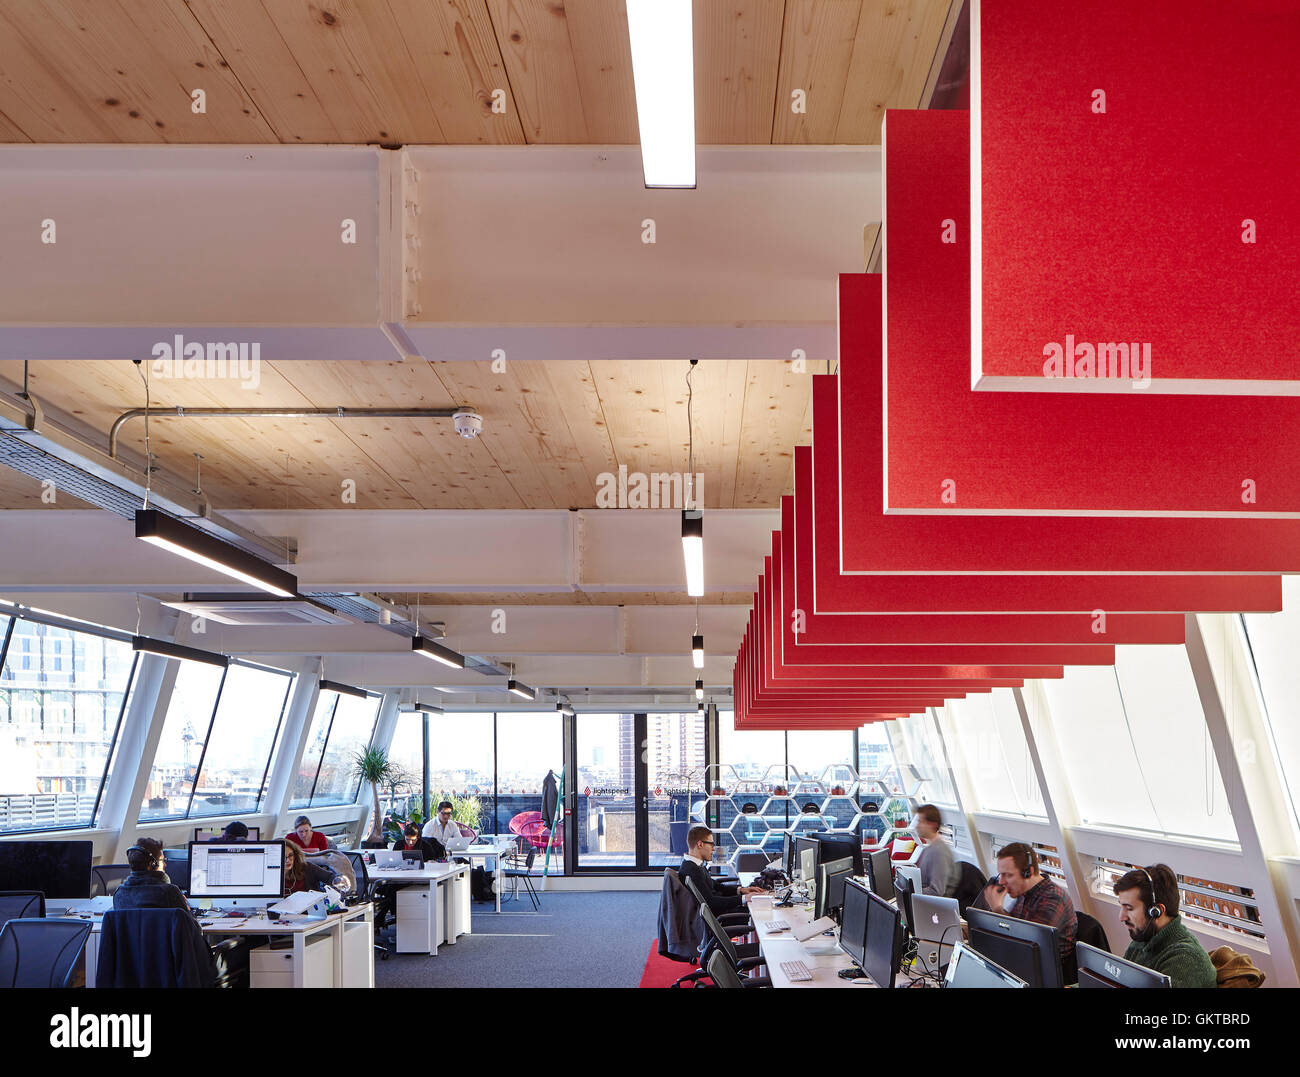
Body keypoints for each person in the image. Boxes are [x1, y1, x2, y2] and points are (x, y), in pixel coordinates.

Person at [1112, 864, 1217, 988]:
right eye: (1121, 906)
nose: (1121, 917)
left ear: (1157, 911)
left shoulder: (1185, 959)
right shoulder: (1142, 941)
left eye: (1129, 908)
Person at [996, 842, 1077, 962]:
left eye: (1008, 875)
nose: (1001, 882)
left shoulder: (1053, 898)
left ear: (1028, 872)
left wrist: (997, 909)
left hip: (1044, 975)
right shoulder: (1023, 894)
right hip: (1021, 967)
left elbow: (1029, 947)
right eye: (1000, 875)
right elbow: (1009, 933)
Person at [678, 825, 763, 914]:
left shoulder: (696, 864)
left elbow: (714, 885)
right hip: (720, 915)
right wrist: (744, 898)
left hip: (721, 910)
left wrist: (741, 890)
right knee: (758, 911)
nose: (713, 848)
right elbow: (711, 902)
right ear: (700, 844)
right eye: (711, 844)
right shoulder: (692, 870)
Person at [113, 838, 189, 911]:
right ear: (152, 864)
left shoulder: (119, 893)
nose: (165, 864)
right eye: (162, 860)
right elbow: (189, 923)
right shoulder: (170, 892)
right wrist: (185, 907)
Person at [914, 804, 959, 897]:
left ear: (932, 825)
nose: (917, 826)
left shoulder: (938, 852)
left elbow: (936, 891)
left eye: (920, 822)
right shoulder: (929, 849)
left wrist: (911, 891)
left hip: (933, 908)